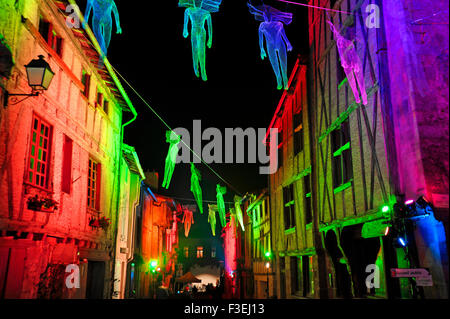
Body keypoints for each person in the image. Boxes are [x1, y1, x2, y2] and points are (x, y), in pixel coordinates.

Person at [248, 3, 293, 90]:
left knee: (283, 63)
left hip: (280, 44)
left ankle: (285, 80)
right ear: (263, 16)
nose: (267, 18)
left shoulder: (279, 24)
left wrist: (288, 43)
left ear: (272, 16)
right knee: (275, 64)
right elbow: (260, 39)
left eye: (269, 15)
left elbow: (284, 35)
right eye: (265, 15)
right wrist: (262, 49)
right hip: (270, 46)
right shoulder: (262, 26)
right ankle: (279, 79)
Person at [327, 20, 368, 105]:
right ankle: (357, 97)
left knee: (360, 79)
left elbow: (354, 41)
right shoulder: (341, 41)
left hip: (353, 60)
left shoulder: (348, 41)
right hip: (347, 63)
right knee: (352, 81)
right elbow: (335, 32)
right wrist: (331, 24)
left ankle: (364, 98)